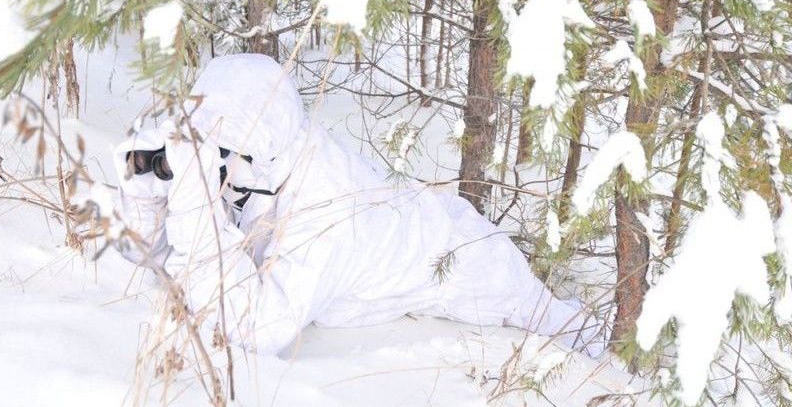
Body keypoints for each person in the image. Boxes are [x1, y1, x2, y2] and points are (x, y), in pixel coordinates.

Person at [112, 54, 603, 357]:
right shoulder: (260, 171)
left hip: (462, 254)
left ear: (258, 150)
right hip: (416, 217)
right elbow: (150, 256)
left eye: (220, 151)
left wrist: (196, 203)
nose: (211, 166)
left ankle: (620, 356)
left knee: (556, 324)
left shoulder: (322, 204)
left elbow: (258, 329)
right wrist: (144, 184)